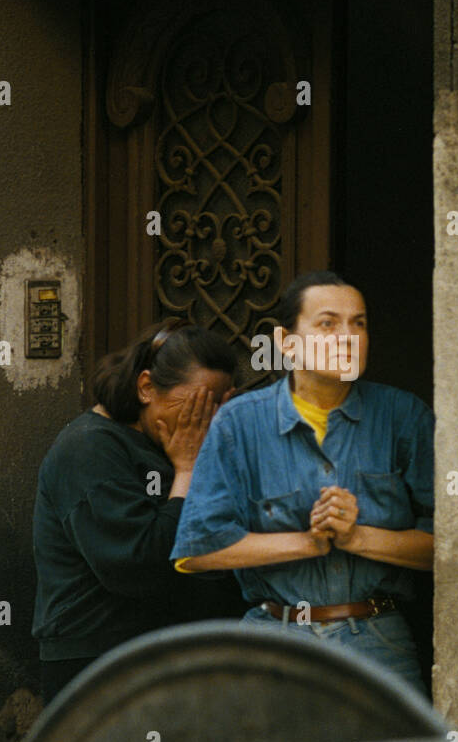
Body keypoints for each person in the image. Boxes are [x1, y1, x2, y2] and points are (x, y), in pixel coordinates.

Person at [168, 271, 435, 693]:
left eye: (359, 323)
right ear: (287, 343)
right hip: (276, 638)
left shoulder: (404, 418)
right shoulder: (240, 423)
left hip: (379, 640)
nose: (347, 336)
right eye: (328, 323)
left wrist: (357, 537)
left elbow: (451, 547)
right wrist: (308, 542)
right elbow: (198, 549)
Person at [31, 319, 243, 703]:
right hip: (102, 670)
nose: (203, 425)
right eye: (194, 407)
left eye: (216, 411)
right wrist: (189, 472)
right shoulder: (88, 450)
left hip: (178, 661)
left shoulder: (172, 445)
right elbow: (141, 566)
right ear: (146, 387)